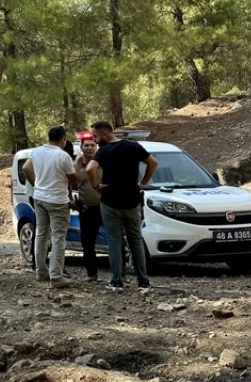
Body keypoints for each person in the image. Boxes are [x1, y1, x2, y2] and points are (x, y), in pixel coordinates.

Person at [86, 121, 157, 293]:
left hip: (110, 201)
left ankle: (116, 281)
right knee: (135, 240)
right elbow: (153, 163)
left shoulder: (104, 151)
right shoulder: (133, 146)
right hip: (132, 200)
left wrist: (96, 186)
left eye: (95, 136)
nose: (95, 140)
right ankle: (143, 282)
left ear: (104, 134)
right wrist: (142, 183)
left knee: (114, 240)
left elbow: (90, 168)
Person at [23, 126, 80, 288]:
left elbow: (26, 168)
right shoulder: (63, 156)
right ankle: (56, 276)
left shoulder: (37, 152)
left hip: (39, 198)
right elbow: (73, 179)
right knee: (58, 237)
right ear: (63, 139)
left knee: (41, 235)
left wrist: (36, 184)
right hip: (58, 200)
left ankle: (41, 272)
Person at [72, 132, 104, 282]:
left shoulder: (103, 161)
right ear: (81, 147)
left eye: (92, 145)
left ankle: (120, 273)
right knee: (87, 242)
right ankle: (92, 274)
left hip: (105, 207)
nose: (90, 148)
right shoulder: (77, 163)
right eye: (87, 146)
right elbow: (71, 183)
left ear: (96, 146)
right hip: (87, 209)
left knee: (116, 239)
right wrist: (77, 165)